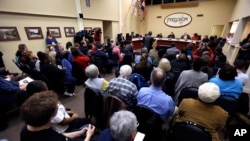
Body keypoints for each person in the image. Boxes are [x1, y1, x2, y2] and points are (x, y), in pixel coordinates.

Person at [20, 90, 95, 141]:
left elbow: (60, 135)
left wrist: (80, 132)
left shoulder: (26, 129)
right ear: (52, 116)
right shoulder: (53, 138)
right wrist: (88, 135)